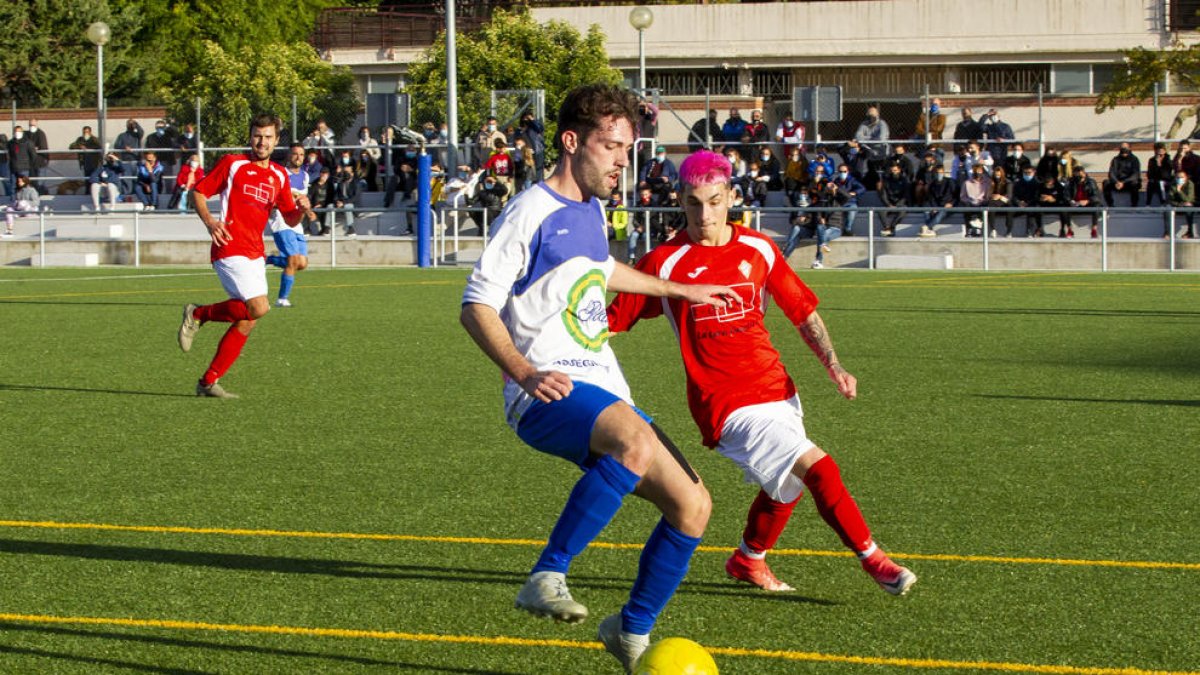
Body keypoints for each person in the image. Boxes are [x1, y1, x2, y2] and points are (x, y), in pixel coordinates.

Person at [459, 84, 738, 671]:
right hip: (546, 392)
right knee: (634, 442)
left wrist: (678, 290)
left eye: (627, 149)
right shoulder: (529, 210)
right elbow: (476, 304)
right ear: (571, 142)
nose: (621, 161)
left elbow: (602, 268)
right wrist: (525, 371)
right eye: (611, 146)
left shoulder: (589, 209)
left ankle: (629, 630)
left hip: (603, 387)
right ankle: (547, 574)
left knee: (694, 507)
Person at [607, 149, 916, 600]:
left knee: (784, 485)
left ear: (731, 196)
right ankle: (874, 559)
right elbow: (611, 321)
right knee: (818, 468)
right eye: (693, 203)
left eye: (714, 201)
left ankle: (748, 559)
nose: (704, 214)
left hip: (776, 388)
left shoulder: (759, 248)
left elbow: (802, 312)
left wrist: (834, 365)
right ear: (680, 200)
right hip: (724, 405)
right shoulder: (665, 263)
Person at [176, 113, 312, 399]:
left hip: (254, 252)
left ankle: (208, 382)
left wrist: (301, 207)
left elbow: (288, 217)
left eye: (267, 137)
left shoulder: (278, 175)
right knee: (259, 307)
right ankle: (198, 313)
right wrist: (212, 223)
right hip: (228, 246)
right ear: (250, 137)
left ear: (276, 141)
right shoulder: (233, 163)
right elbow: (199, 192)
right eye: (257, 136)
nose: (261, 142)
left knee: (249, 319)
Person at [265, 144, 314, 307]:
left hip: (297, 223)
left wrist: (308, 212)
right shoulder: (280, 174)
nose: (298, 157)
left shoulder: (305, 176)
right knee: (293, 260)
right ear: (289, 156)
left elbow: (302, 199)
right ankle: (282, 299)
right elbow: (272, 198)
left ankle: (266, 259)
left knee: (302, 263)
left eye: (301, 154)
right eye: (295, 154)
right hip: (282, 220)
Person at [854, 105, 889, 186]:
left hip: (880, 152)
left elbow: (881, 139)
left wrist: (865, 139)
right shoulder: (864, 124)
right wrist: (872, 139)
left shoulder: (882, 124)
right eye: (870, 115)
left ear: (877, 115)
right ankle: (861, 182)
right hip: (867, 151)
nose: (872, 117)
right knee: (858, 157)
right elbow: (857, 137)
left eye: (874, 115)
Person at [1065, 165, 1100, 238]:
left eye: (1080, 175)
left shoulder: (1091, 182)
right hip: (1075, 205)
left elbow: (1096, 196)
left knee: (1096, 206)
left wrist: (1087, 201)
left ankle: (1094, 230)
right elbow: (1066, 195)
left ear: (1084, 174)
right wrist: (1070, 201)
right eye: (1076, 175)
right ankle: (1069, 230)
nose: (1079, 178)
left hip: (1088, 205)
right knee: (1064, 208)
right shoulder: (1071, 182)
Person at [921, 165, 956, 237]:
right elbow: (931, 197)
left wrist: (951, 203)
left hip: (948, 206)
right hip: (937, 205)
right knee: (926, 209)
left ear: (943, 172)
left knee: (942, 211)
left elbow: (956, 195)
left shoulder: (950, 182)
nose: (939, 174)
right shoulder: (932, 184)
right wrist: (934, 207)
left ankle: (927, 227)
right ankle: (930, 229)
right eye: (937, 173)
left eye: (940, 172)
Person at [830, 163, 865, 235]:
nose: (842, 173)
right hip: (839, 202)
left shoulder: (852, 180)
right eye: (840, 171)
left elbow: (862, 188)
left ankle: (847, 229)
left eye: (844, 171)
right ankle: (835, 230)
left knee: (853, 209)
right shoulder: (836, 181)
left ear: (848, 172)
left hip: (850, 202)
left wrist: (854, 192)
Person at [1103, 143, 1141, 207]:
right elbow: (1111, 173)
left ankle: (1134, 205)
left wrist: (1123, 182)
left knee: (1135, 183)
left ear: (1129, 148)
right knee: (1106, 182)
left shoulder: (1134, 159)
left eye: (1125, 148)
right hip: (1117, 183)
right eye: (1122, 148)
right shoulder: (1115, 159)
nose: (1124, 150)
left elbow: (1135, 175)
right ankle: (1110, 205)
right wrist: (1117, 182)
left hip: (1129, 182)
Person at [878, 162, 909, 236]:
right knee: (881, 211)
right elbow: (883, 194)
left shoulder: (905, 180)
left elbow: (906, 195)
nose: (893, 172)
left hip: (900, 204)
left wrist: (898, 204)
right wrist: (888, 204)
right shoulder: (887, 180)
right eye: (892, 170)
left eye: (895, 170)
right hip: (889, 204)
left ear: (899, 170)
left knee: (903, 210)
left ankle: (893, 226)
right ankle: (887, 228)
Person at [7, 126, 39, 197]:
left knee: (24, 186)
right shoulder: (10, 143)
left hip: (24, 168)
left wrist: (29, 165)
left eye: (19, 132)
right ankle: (14, 202)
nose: (17, 133)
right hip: (13, 168)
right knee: (13, 186)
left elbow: (33, 155)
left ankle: (24, 201)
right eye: (15, 132)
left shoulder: (28, 143)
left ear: (22, 132)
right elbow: (10, 155)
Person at [959, 166, 991, 237]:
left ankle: (978, 228)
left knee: (985, 205)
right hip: (970, 203)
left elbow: (987, 196)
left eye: (980, 171)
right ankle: (969, 229)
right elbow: (962, 196)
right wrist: (970, 200)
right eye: (976, 171)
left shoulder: (986, 183)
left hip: (981, 203)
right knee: (966, 208)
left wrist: (982, 200)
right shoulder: (967, 183)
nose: (978, 173)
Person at [1013, 164, 1042, 237]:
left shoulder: (1037, 183)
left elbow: (1036, 196)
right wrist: (1018, 202)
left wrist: (1027, 203)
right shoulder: (1018, 183)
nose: (1027, 174)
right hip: (1020, 204)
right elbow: (1014, 195)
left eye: (1029, 173)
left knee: (1033, 209)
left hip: (1031, 203)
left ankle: (1031, 230)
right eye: (1025, 173)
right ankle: (1009, 230)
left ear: (1033, 172)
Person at [1166, 169, 1196, 239]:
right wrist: (1180, 204)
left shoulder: (1190, 184)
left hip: (1187, 206)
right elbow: (1170, 199)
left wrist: (1179, 191)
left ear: (1186, 177)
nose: (1180, 179)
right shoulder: (1173, 184)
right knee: (1167, 209)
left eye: (1182, 177)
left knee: (1189, 209)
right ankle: (1167, 232)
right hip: (1177, 206)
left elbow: (1189, 199)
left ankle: (1190, 232)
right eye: (1178, 177)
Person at [1037, 173, 1068, 238]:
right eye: (1046, 183)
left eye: (1049, 183)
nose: (1047, 185)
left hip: (1056, 205)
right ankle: (1039, 229)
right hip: (1044, 205)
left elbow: (1063, 198)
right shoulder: (1040, 186)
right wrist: (1041, 199)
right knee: (1037, 209)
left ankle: (1062, 229)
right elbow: (1036, 196)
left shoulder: (1059, 187)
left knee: (1063, 210)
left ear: (1052, 181)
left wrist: (1054, 199)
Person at [987, 166, 1014, 237]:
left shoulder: (1008, 182)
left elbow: (1009, 197)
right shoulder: (992, 182)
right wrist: (992, 195)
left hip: (1005, 202)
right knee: (991, 205)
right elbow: (988, 195)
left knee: (1010, 208)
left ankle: (1009, 231)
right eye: (996, 175)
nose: (997, 177)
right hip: (994, 202)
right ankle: (993, 229)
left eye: (998, 175)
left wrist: (1000, 196)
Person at [1146, 142, 1172, 207]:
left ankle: (1162, 203)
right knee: (1150, 183)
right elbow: (1150, 173)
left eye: (1162, 151)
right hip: (1155, 179)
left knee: (1160, 183)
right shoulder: (1152, 160)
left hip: (1165, 180)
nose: (1160, 154)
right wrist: (1156, 165)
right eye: (1158, 151)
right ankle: (1148, 204)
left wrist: (1159, 165)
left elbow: (1166, 174)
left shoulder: (1167, 160)